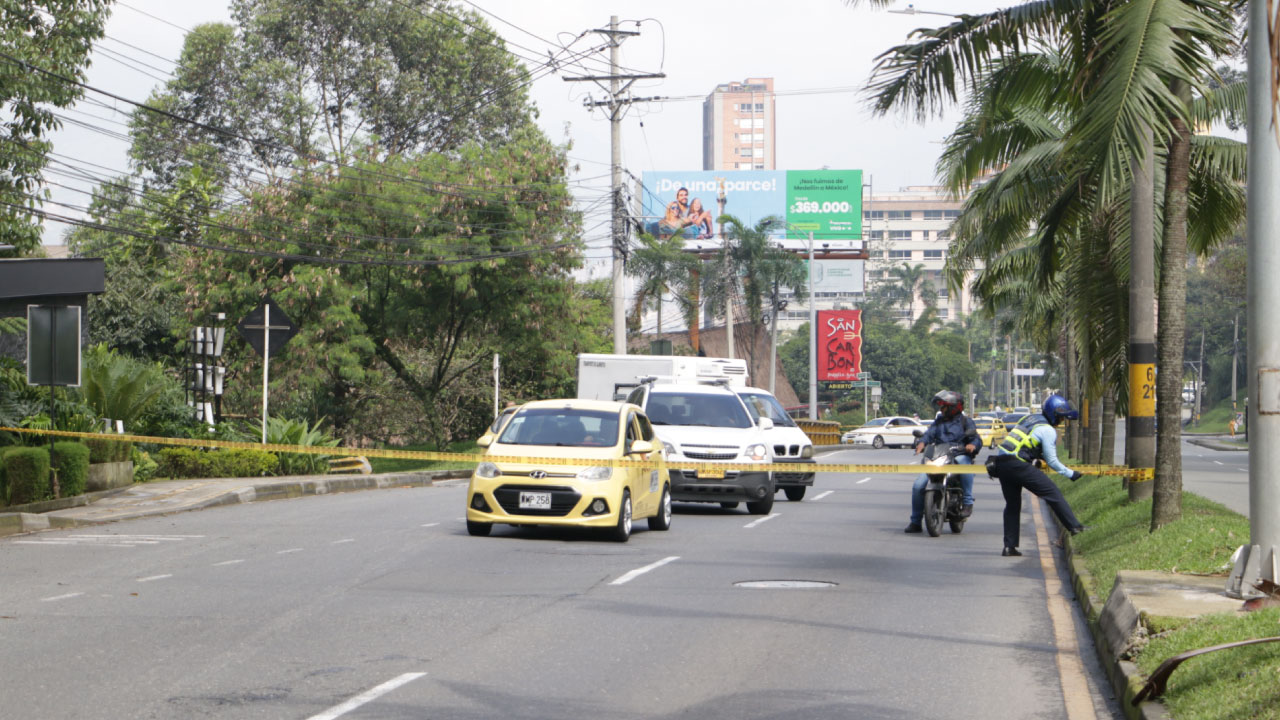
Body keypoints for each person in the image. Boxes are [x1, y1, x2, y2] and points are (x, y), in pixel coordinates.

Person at [986, 393, 1087, 556]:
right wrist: (1071, 474)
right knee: (1053, 493)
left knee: (1012, 505)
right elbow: (1052, 460)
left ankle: (1009, 547)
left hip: (1001, 464)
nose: (1061, 422)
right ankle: (1075, 527)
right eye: (1060, 418)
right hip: (1018, 465)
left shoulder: (1029, 419)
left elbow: (1025, 443)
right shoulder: (1047, 430)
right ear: (1054, 414)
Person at [904, 390, 981, 533]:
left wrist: (972, 445)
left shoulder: (966, 421)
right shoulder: (938, 421)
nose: (941, 409)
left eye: (944, 406)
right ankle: (915, 522)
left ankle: (967, 503)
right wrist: (921, 443)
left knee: (964, 466)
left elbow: (975, 438)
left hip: (958, 454)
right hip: (939, 455)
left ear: (953, 407)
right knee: (918, 485)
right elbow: (929, 434)